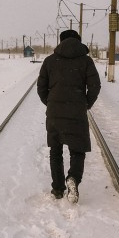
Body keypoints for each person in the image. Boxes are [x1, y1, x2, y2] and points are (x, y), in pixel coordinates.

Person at [36, 29, 101, 203]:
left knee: (55, 150)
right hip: (77, 111)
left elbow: (41, 87)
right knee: (77, 150)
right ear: (78, 41)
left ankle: (58, 188)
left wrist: (50, 103)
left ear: (61, 41)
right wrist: (86, 103)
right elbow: (95, 86)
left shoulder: (50, 61)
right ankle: (73, 178)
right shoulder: (86, 61)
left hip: (55, 112)